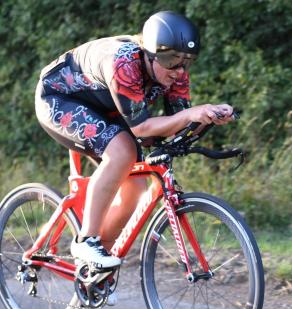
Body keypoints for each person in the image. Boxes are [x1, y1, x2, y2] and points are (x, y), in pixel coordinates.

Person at [35, 11, 234, 270]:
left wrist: (208, 117)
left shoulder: (176, 74)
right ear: (150, 54)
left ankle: (94, 269)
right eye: (172, 59)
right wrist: (190, 115)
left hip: (108, 109)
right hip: (59, 97)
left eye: (187, 61)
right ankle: (86, 241)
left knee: (135, 187)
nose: (180, 70)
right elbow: (141, 128)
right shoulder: (124, 63)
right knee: (122, 152)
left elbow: (177, 126)